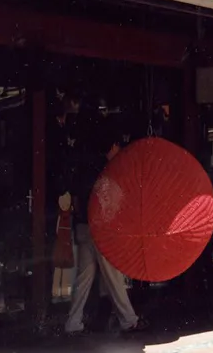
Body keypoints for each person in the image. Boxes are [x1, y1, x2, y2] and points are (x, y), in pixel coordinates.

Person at [64, 125, 148, 336]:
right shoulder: (108, 170)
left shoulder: (83, 168)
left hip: (83, 227)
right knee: (114, 277)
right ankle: (129, 321)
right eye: (118, 146)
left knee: (83, 278)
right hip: (102, 231)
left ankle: (73, 323)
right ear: (112, 146)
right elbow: (111, 203)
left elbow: (75, 198)